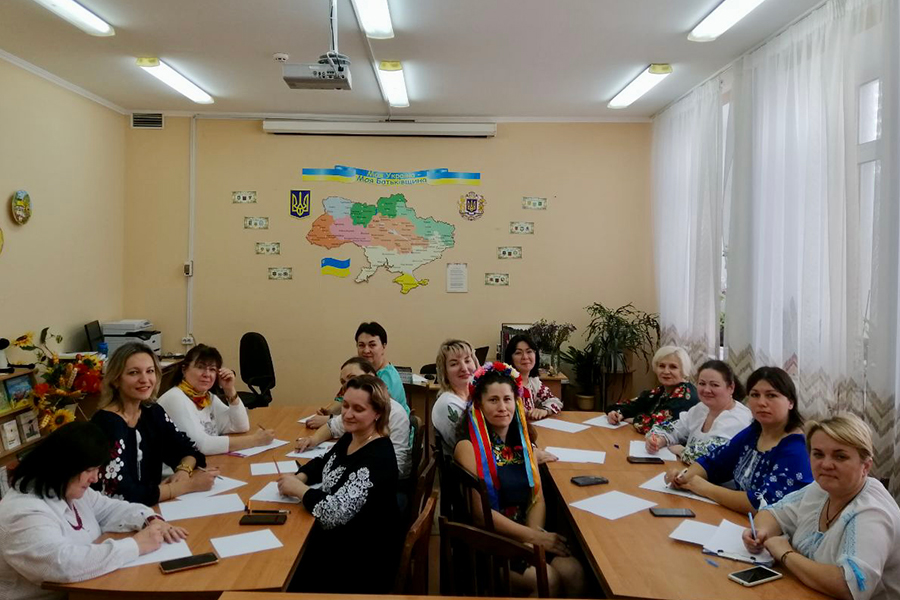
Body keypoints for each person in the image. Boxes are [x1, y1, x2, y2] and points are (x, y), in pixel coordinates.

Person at [0, 422, 189, 600]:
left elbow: (111, 508)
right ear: (64, 466)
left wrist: (150, 519)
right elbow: (63, 565)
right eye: (90, 470)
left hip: (88, 590)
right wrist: (136, 545)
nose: (95, 478)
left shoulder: (66, 487)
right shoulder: (22, 513)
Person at [454, 362, 584, 597]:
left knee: (573, 571)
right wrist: (532, 537)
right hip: (491, 541)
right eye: (493, 400)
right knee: (548, 580)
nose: (502, 407)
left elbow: (537, 498)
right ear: (479, 404)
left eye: (507, 399)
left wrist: (533, 539)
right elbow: (480, 514)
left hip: (528, 534)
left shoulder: (524, 444)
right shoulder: (468, 447)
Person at [742, 413, 900, 600]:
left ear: (865, 466)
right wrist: (761, 533)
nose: (826, 464)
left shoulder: (873, 512)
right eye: (818, 454)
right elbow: (772, 513)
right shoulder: (821, 488)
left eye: (840, 456)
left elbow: (849, 587)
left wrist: (785, 553)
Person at [277, 375, 401, 594]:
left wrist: (299, 490)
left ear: (378, 413)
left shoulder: (378, 457)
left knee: (280, 563)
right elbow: (324, 461)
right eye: (345, 405)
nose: (347, 414)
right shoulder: (353, 435)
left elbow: (335, 512)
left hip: (358, 559)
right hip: (338, 539)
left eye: (358, 409)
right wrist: (300, 477)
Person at [665, 366, 813, 512]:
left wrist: (704, 488)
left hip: (766, 526)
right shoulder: (754, 432)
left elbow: (762, 503)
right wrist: (684, 477)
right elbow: (714, 461)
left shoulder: (796, 449)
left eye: (771, 395)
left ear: (791, 402)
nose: (761, 402)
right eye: (755, 395)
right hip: (738, 519)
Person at [91, 343, 218, 504]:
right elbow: (122, 493)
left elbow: (189, 450)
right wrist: (187, 486)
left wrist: (183, 471)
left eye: (150, 371)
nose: (145, 380)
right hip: (116, 514)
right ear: (116, 380)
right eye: (134, 372)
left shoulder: (152, 411)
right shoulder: (107, 424)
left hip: (153, 506)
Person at [294, 357, 411, 480]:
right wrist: (314, 439)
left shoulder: (394, 416)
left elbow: (396, 468)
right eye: (343, 382)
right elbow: (332, 429)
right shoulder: (352, 429)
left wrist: (301, 489)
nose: (346, 386)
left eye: (352, 378)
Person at [158, 344, 275, 455]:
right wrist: (255, 440)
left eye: (212, 369)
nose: (207, 374)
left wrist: (229, 389)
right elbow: (201, 445)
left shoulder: (207, 397)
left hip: (206, 462)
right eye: (200, 367)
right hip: (178, 468)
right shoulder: (175, 398)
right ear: (184, 370)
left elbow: (240, 426)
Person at [645, 360, 752, 464]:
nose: (706, 390)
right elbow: (673, 428)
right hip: (689, 472)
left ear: (731, 387)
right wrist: (659, 440)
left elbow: (711, 457)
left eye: (714, 385)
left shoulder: (738, 418)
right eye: (702, 383)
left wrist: (680, 450)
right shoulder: (702, 408)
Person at [606, 346, 698, 434]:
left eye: (673, 367)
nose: (666, 371)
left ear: (683, 370)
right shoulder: (659, 392)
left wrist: (634, 420)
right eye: (662, 366)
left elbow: (658, 426)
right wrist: (617, 414)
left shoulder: (685, 396)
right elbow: (630, 405)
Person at [431, 339, 478, 457]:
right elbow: (469, 446)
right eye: (454, 364)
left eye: (467, 360)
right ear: (445, 372)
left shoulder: (477, 397)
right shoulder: (447, 404)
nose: (464, 368)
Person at [504, 334, 563, 420]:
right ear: (510, 358)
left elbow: (555, 401)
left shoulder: (534, 382)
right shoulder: (504, 383)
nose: (525, 357)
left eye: (529, 351)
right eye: (518, 353)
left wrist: (545, 410)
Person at [354, 321, 408, 414]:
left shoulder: (388, 377)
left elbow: (379, 413)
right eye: (361, 345)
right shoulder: (359, 370)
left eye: (372, 345)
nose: (366, 350)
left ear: (383, 346)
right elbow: (342, 399)